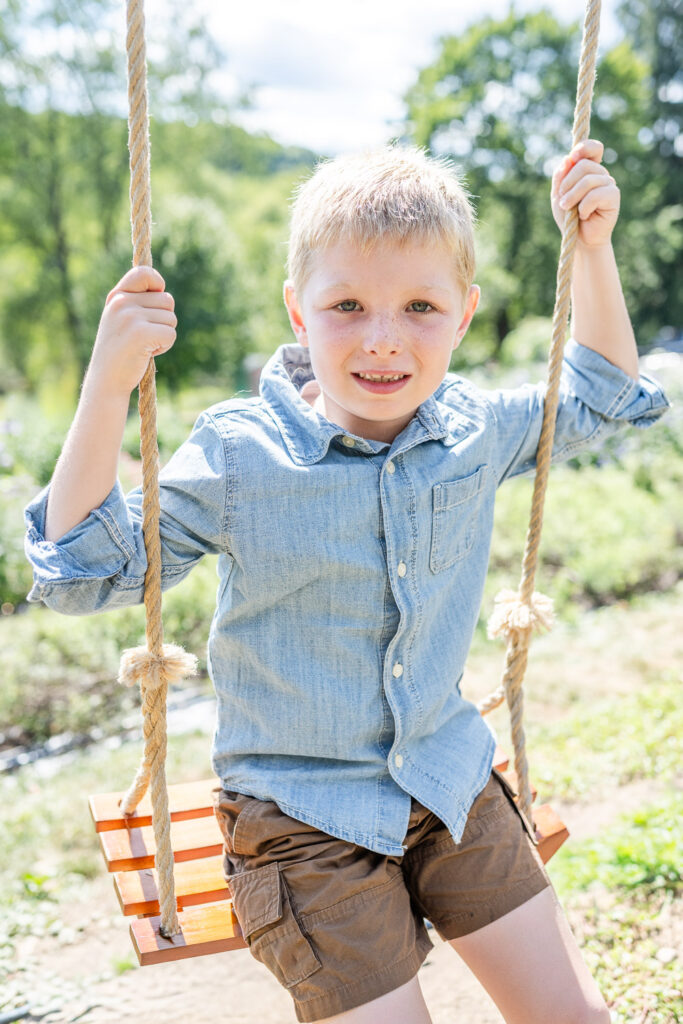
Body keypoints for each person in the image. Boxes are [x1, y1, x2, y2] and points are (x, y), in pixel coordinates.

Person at [25, 139, 668, 1024]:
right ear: (298, 309)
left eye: (419, 307)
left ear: (464, 314)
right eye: (347, 305)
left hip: (447, 782)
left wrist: (591, 248)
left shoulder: (473, 430)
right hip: (300, 821)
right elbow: (84, 568)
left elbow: (602, 393)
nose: (382, 338)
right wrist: (107, 383)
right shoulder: (241, 454)